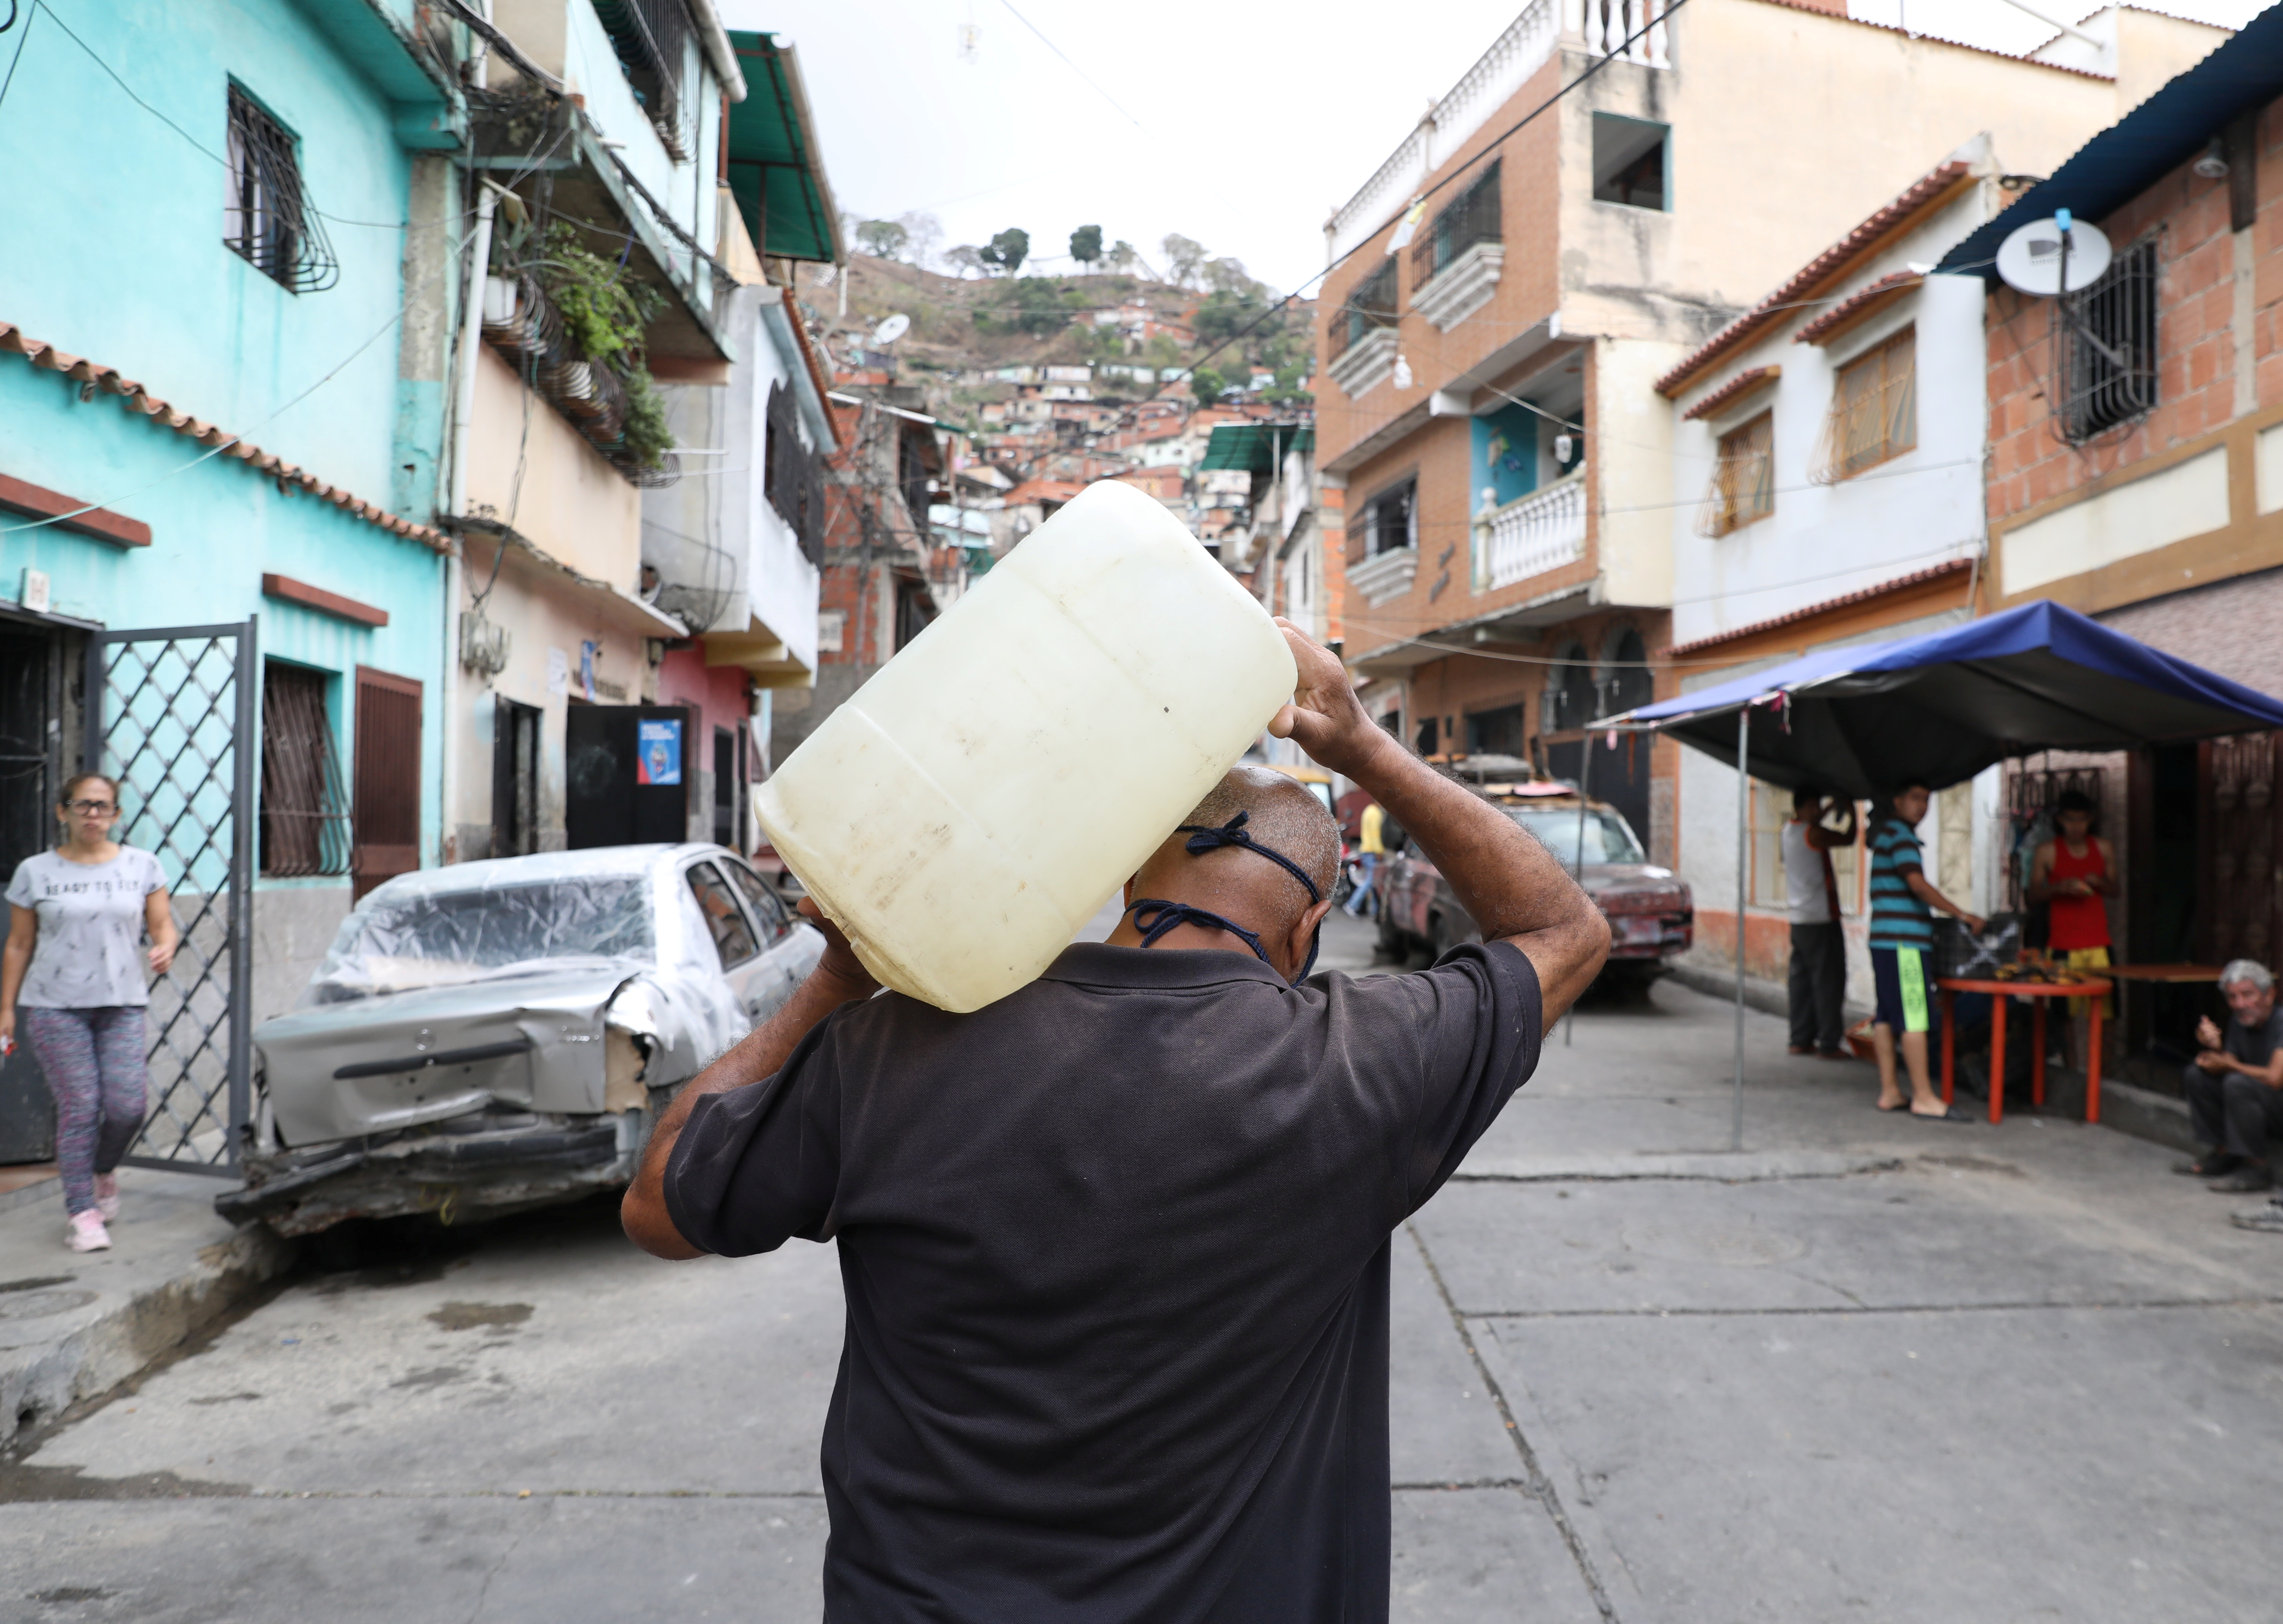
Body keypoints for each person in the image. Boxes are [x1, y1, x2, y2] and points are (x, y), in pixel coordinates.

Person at [621, 619, 1609, 1622]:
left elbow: (658, 1207)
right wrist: (1356, 742)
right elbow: (1564, 930)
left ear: (1131, 883)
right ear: (1309, 931)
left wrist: (839, 978)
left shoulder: (890, 1051)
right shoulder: (1363, 1064)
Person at [0, 772, 177, 1252]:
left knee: (127, 1106)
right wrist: (6, 1009)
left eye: (103, 807)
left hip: (121, 1002)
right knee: (81, 1106)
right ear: (63, 812)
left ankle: (102, 1169)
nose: (93, 814)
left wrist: (165, 948)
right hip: (56, 1006)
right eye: (83, 806)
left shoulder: (143, 865)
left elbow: (163, 926)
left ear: (117, 815)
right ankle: (83, 1213)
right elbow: (19, 943)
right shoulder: (35, 872)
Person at [1867, 781, 1982, 1120]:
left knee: (1886, 1016)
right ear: (1897, 801)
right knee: (1915, 1016)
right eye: (1915, 798)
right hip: (1905, 943)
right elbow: (1917, 884)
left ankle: (1891, 1090)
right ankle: (1923, 1096)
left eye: (1927, 800)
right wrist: (1961, 913)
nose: (1922, 806)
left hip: (1884, 941)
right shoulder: (1901, 836)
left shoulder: (1885, 834)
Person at [2176, 959, 2283, 1194]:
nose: (2240, 1004)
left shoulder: (2280, 1023)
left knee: (2238, 1084)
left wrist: (2228, 1065)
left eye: (2248, 995)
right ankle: (2225, 1154)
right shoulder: (2239, 1022)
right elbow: (2229, 1064)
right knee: (2197, 1075)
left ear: (2269, 995)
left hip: (2277, 1103)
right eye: (2233, 997)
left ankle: (2256, 1168)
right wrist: (2214, 1050)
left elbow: (2276, 1078)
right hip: (2257, 1102)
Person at [2027, 788, 2116, 1041]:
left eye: (2082, 819)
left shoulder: (2104, 848)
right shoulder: (2047, 851)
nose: (2076, 826)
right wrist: (2058, 888)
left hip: (2099, 943)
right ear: (2060, 820)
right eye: (2070, 819)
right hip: (2061, 945)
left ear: (2090, 820)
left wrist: (2099, 883)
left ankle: (2102, 1076)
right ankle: (2073, 1074)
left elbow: (2116, 890)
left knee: (2106, 1015)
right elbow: (2032, 896)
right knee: (2063, 1017)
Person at [1782, 788, 1855, 1059]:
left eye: (1818, 807)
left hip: (1799, 920)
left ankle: (1799, 1038)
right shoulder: (1814, 834)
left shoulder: (1788, 831)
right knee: (1828, 982)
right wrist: (1850, 811)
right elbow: (1848, 838)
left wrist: (1831, 804)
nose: (1816, 812)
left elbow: (1813, 820)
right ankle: (1829, 1043)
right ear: (1801, 809)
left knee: (1801, 982)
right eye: (1812, 807)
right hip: (1821, 919)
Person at [1343, 796, 1385, 918]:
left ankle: (1375, 910)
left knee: (1372, 881)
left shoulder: (1368, 811)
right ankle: (1352, 904)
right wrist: (1379, 851)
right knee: (1370, 880)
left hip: (1366, 849)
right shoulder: (1376, 814)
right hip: (1372, 851)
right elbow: (1375, 834)